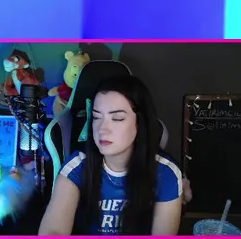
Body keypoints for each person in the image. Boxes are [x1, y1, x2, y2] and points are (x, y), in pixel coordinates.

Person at [38, 75, 184, 235]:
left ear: (139, 123)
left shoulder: (166, 173)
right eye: (96, 117)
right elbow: (53, 231)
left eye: (117, 118)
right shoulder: (77, 167)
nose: (102, 129)